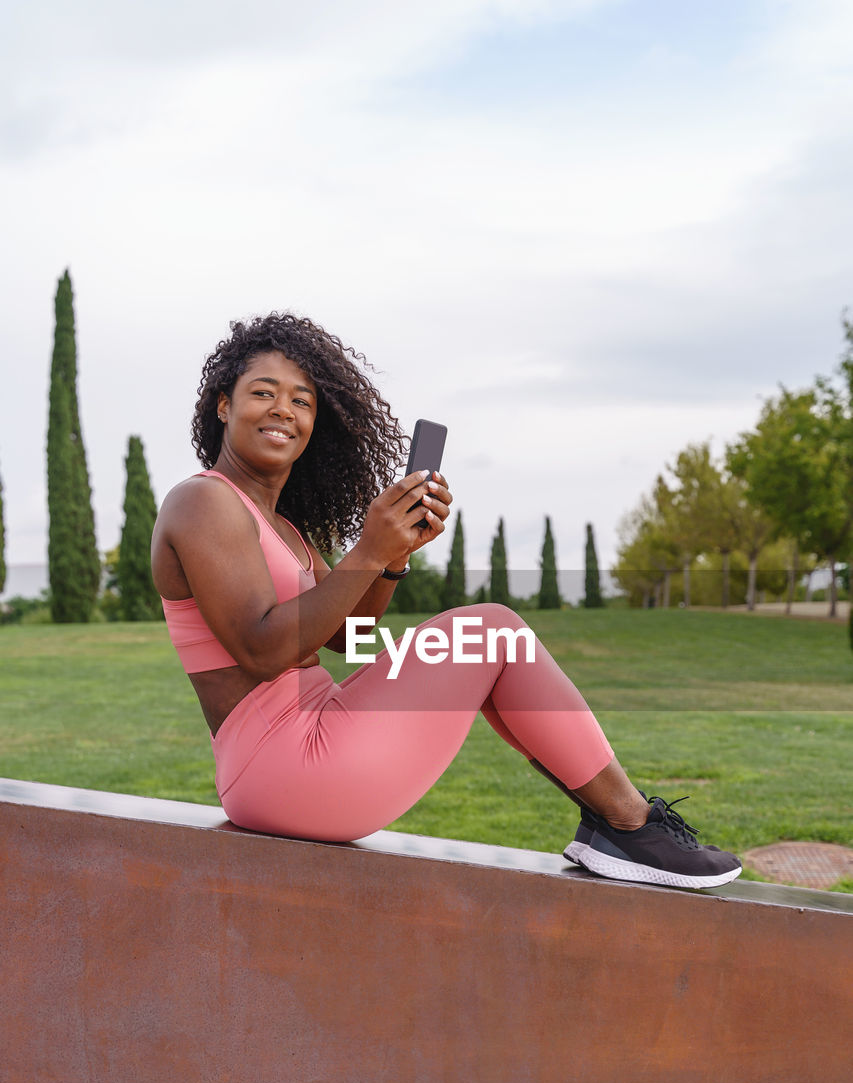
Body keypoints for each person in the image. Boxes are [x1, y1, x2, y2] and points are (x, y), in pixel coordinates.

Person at [151, 313, 741, 890]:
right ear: (223, 405)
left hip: (298, 750)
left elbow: (344, 639)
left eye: (302, 401)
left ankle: (615, 824)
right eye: (263, 392)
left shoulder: (284, 528)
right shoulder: (203, 502)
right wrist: (368, 548)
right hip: (284, 765)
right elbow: (262, 650)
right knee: (492, 630)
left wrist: (393, 557)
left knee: (492, 644)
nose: (284, 410)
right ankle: (630, 824)